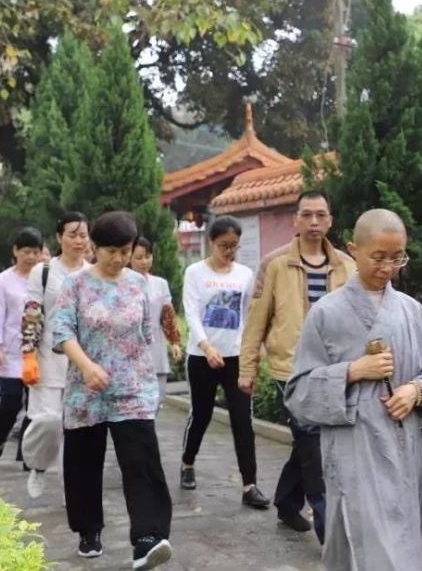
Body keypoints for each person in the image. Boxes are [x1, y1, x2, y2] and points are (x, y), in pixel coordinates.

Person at [284, 209, 422, 571]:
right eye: (379, 257)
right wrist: (351, 372)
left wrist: (417, 391)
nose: (388, 267)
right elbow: (298, 393)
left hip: (403, 452)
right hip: (354, 451)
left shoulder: (413, 312)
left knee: (401, 544)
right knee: (365, 545)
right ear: (353, 250)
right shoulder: (327, 314)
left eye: (398, 258)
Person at [52, 211, 173, 569]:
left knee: (141, 462)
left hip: (131, 389)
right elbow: (61, 333)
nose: (119, 258)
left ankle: (148, 539)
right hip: (86, 390)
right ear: (95, 248)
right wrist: (87, 366)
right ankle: (89, 529)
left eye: (126, 250)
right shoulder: (75, 284)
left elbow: (146, 335)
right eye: (111, 251)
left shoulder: (139, 283)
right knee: (84, 465)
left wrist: (149, 381)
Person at [238, 190, 355, 540]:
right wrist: (247, 367)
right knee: (312, 439)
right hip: (289, 368)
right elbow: (257, 319)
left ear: (330, 220)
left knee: (308, 438)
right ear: (296, 220)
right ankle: (326, 523)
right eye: (307, 215)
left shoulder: (347, 266)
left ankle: (288, 502)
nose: (314, 222)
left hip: (333, 369)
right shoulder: (274, 265)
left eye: (321, 215)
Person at [179, 215, 269, 509]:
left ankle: (250, 485)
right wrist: (206, 347)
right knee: (202, 415)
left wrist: (250, 349)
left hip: (235, 358)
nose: (229, 251)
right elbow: (191, 312)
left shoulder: (244, 274)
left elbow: (247, 314)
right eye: (223, 246)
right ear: (211, 243)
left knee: (242, 420)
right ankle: (188, 463)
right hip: (201, 357)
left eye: (234, 246)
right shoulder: (195, 272)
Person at [20, 212, 91, 499]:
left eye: (83, 235)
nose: (78, 240)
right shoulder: (44, 272)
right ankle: (37, 465)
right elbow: (32, 313)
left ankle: (71, 490)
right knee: (48, 420)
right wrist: (28, 355)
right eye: (72, 234)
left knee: (76, 431)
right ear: (59, 236)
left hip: (81, 361)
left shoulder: (92, 272)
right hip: (48, 357)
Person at [0, 227, 43, 461]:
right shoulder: (3, 280)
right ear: (16, 251)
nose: (31, 257)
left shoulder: (44, 277)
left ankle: (27, 453)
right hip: (10, 352)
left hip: (38, 352)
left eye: (36, 252)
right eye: (26, 251)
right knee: (10, 402)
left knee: (35, 405)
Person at [129, 236, 182, 404]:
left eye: (148, 256)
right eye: (138, 257)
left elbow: (167, 315)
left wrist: (174, 342)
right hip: (131, 347)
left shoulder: (160, 284)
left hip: (156, 344)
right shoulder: (122, 283)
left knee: (157, 398)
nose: (144, 261)